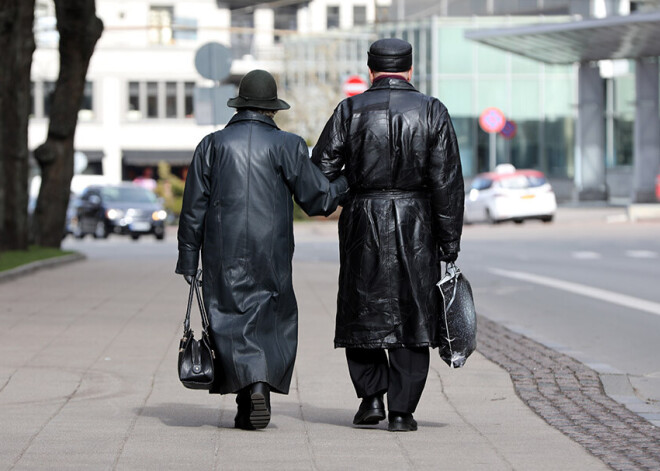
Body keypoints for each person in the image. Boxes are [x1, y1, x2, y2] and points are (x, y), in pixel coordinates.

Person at [176, 69, 348, 430]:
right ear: (272, 109)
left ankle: (248, 396)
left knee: (230, 319)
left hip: (223, 250)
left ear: (240, 105)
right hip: (272, 249)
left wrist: (189, 258)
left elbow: (193, 208)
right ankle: (259, 388)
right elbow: (319, 199)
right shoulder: (288, 145)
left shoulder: (212, 145)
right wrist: (352, 177)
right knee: (271, 318)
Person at [311, 38, 464, 432]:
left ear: (371, 70)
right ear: (410, 70)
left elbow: (320, 172)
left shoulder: (349, 110)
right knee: (414, 313)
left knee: (363, 309)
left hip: (364, 217)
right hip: (418, 220)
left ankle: (370, 400)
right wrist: (449, 242)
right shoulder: (432, 111)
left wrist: (355, 183)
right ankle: (402, 411)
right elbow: (446, 181)